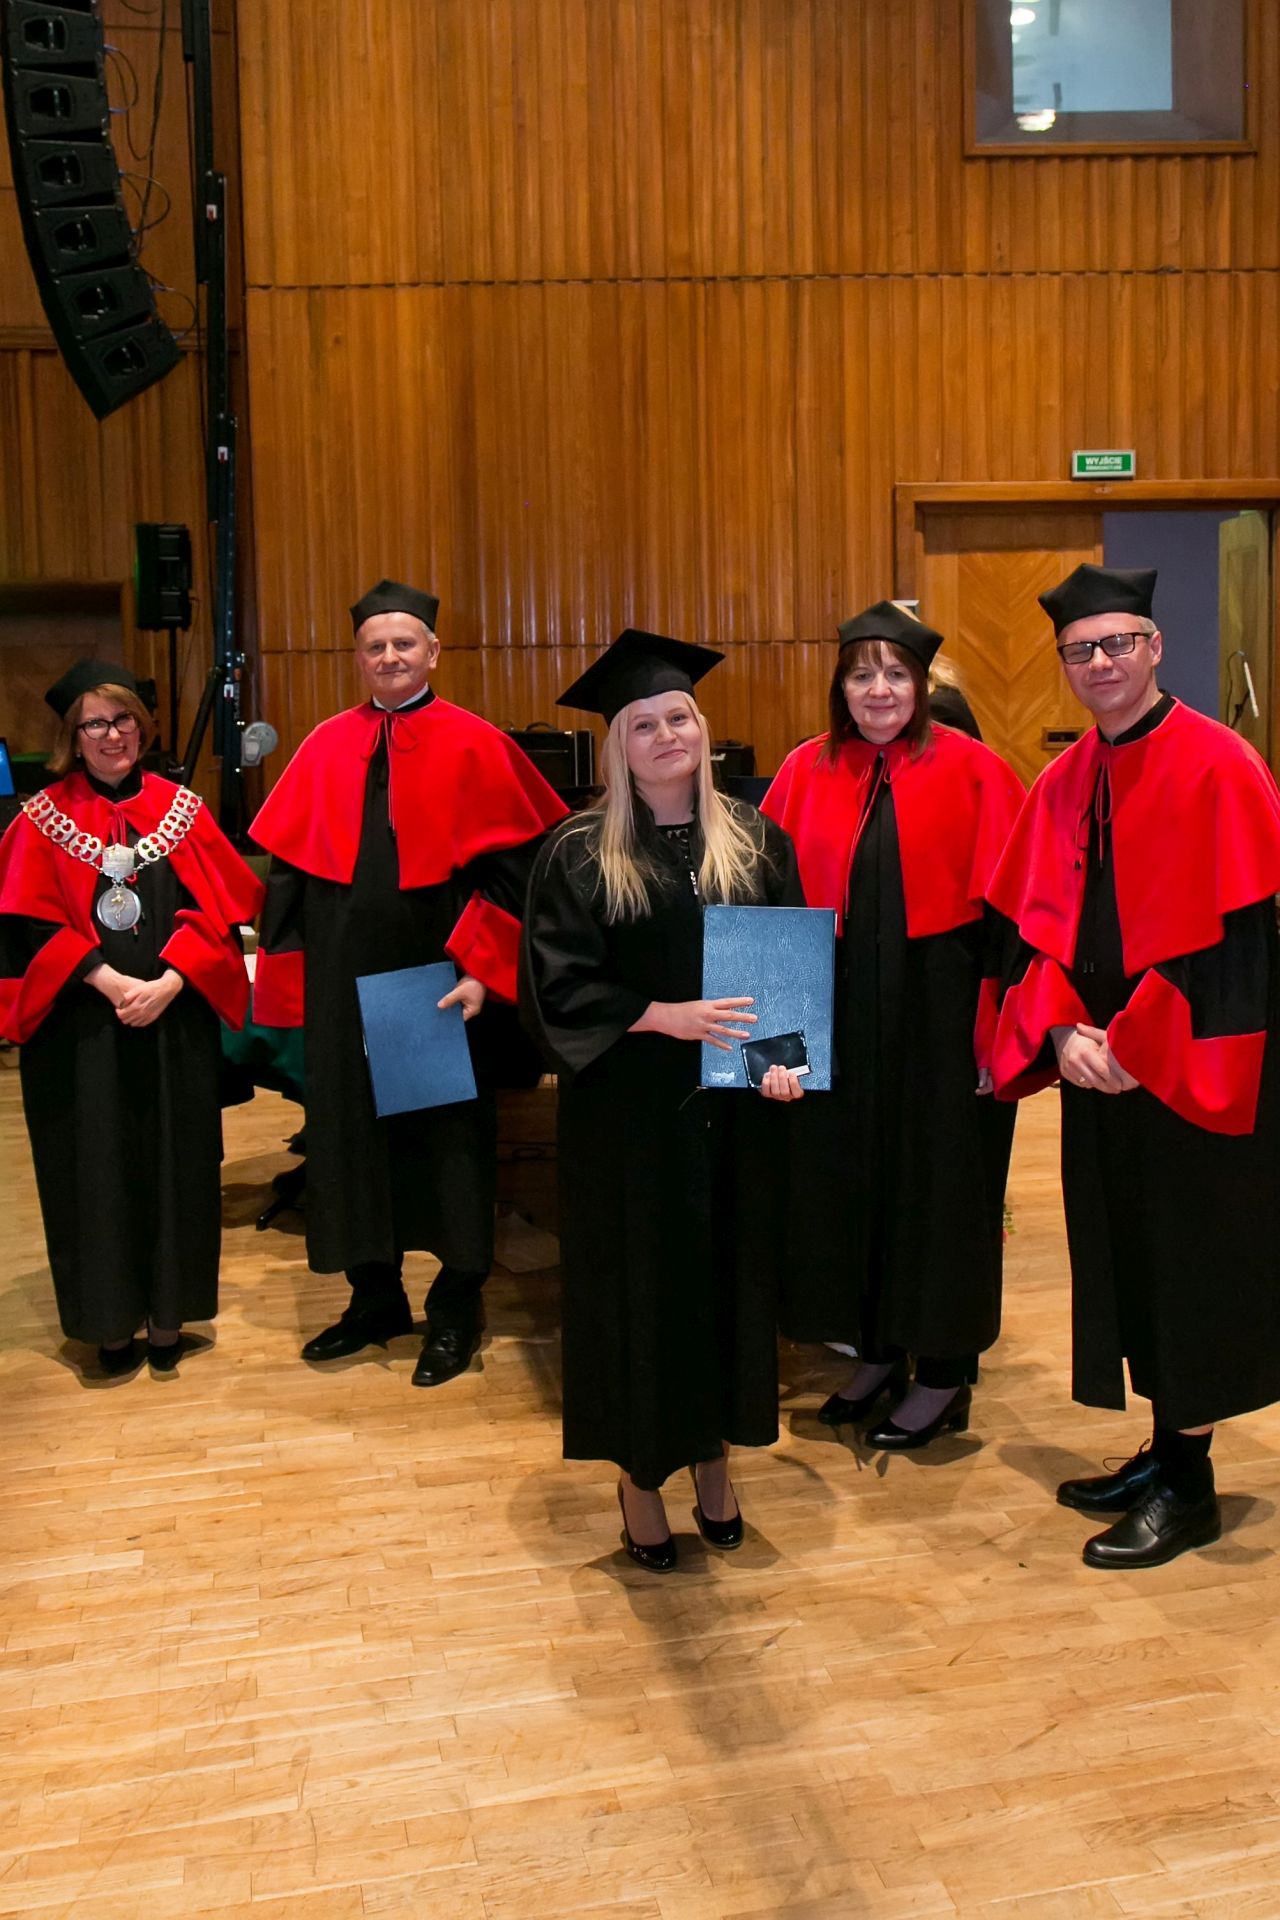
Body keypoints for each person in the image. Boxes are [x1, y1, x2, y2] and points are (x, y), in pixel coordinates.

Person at [989, 562, 1280, 1569]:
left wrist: (1135, 1041)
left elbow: (1239, 945)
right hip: (1098, 1068)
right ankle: (1162, 1450)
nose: (1100, 662)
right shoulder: (1063, 780)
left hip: (1194, 1070)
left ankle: (1189, 1486)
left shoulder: (1220, 763)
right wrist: (1061, 1033)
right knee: (1127, 1254)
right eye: (1081, 651)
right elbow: (1031, 934)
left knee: (1190, 1263)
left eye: (1117, 643)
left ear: (1155, 648)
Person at [519, 630, 804, 1572]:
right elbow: (556, 989)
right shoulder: (576, 852)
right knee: (639, 1295)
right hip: (629, 1117)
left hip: (732, 1115)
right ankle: (641, 1477)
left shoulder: (756, 839)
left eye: (679, 716)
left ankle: (716, 1463)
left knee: (725, 1286)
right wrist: (662, 1017)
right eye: (643, 724)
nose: (666, 734)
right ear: (618, 745)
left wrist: (786, 1059)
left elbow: (787, 975)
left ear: (702, 728)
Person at [250, 580, 567, 1387]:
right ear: (358, 658)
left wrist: (480, 969)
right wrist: (291, 987)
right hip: (342, 986)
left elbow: (523, 880)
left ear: (433, 651)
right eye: (375, 646)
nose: (389, 656)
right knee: (350, 1145)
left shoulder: (476, 745)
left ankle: (455, 1310)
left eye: (403, 644)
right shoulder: (325, 744)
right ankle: (375, 1301)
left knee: (445, 1151)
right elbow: (288, 880)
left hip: (432, 986)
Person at [761, 602, 1025, 1448]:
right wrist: (771, 1043)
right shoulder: (805, 769)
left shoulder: (978, 772)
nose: (878, 689)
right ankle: (875, 1351)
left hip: (942, 1021)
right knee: (849, 1182)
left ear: (921, 684)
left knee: (939, 1189)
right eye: (861, 674)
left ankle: (943, 1372)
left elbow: (1016, 922)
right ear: (840, 687)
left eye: (895, 674)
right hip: (837, 1013)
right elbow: (770, 910)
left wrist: (999, 1034)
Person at [0, 661, 263, 1375]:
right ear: (73, 736)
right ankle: (109, 1325)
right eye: (95, 723)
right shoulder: (39, 819)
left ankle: (170, 1316)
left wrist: (172, 981)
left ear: (141, 729)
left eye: (122, 720)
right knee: (93, 1168)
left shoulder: (185, 812)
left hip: (174, 1021)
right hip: (79, 1030)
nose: (111, 735)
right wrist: (110, 981)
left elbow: (222, 912)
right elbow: (26, 927)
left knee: (177, 1162)